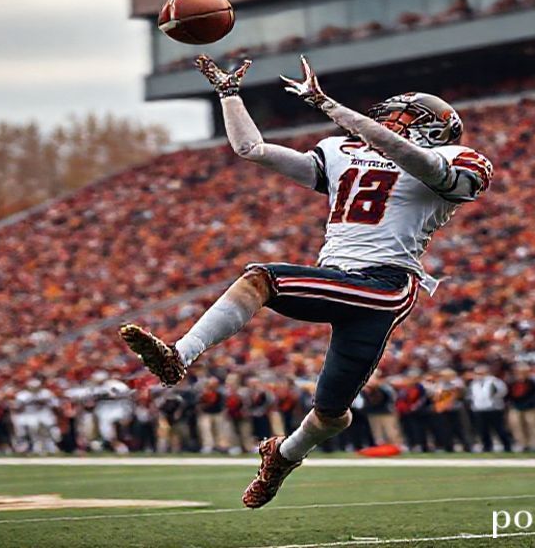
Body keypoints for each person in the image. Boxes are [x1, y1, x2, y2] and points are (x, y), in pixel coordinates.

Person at [118, 54, 493, 508]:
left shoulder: (459, 161)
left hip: (385, 284)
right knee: (322, 395)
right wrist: (229, 95)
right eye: (389, 117)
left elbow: (407, 156)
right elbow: (250, 150)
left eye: (402, 117)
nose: (388, 124)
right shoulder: (342, 151)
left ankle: (238, 412)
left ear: (434, 129)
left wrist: (330, 106)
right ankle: (211, 386)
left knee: (321, 391)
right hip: (339, 276)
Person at [467, 364, 512, 453]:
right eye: (477, 373)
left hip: (494, 409)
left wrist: (494, 399)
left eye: (481, 373)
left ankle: (507, 445)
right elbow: (472, 395)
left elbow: (503, 392)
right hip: (479, 409)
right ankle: (487, 446)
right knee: (483, 430)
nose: (478, 375)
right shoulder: (474, 383)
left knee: (499, 429)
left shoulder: (495, 381)